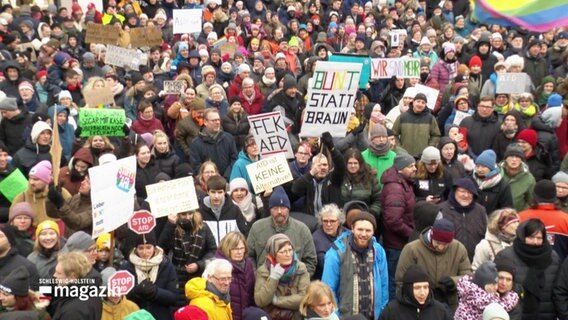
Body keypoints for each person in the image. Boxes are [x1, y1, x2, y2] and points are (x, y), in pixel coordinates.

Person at [322, 211, 389, 319]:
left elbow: (384, 285)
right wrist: (336, 316)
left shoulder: (379, 251)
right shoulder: (336, 252)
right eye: (360, 229)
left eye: (368, 230)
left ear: (373, 232)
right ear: (352, 228)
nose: (363, 234)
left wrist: (381, 311)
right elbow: (327, 289)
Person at [396, 219, 471, 311]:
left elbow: (468, 276)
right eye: (438, 243)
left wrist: (453, 282)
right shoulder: (412, 249)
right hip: (418, 304)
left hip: (449, 303)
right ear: (431, 236)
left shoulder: (459, 249)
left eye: (445, 244)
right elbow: (401, 281)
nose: (440, 247)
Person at [495, 219, 561, 319]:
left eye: (539, 238)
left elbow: (559, 289)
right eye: (531, 237)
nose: (535, 242)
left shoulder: (553, 257)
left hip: (547, 315)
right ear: (522, 236)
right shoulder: (505, 256)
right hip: (515, 315)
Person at [247, 187, 317, 276]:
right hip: (264, 284)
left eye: (283, 207)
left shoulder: (302, 230)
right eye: (275, 208)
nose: (279, 211)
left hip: (293, 286)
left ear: (288, 209)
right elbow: (249, 256)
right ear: (270, 209)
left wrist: (299, 280)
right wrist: (257, 276)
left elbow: (311, 260)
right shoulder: (257, 228)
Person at [380, 151, 417, 298]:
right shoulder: (395, 188)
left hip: (400, 243)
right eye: (411, 166)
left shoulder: (403, 183)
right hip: (396, 245)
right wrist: (412, 234)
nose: (415, 168)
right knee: (395, 282)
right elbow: (393, 220)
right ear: (401, 169)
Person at [122, 231, 178, 320]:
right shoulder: (127, 268)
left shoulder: (166, 265)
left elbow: (173, 298)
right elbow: (122, 298)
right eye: (141, 248)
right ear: (136, 249)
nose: (145, 252)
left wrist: (156, 292)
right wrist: (136, 291)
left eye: (148, 247)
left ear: (154, 248)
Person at [254, 234, 310, 320]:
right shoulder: (263, 270)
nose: (288, 254)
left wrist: (277, 301)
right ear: (273, 254)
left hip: (296, 317)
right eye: (283, 252)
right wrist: (273, 278)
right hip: (272, 316)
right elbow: (260, 301)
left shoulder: (300, 268)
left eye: (290, 250)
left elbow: (305, 297)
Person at [158, 209, 217, 289]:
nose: (188, 217)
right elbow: (161, 247)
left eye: (190, 213)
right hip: (176, 275)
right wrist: (170, 225)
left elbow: (212, 250)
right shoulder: (172, 226)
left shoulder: (203, 227)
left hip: (199, 276)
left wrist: (199, 265)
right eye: (183, 214)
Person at [291, 132, 345, 216]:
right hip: (311, 220)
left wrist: (331, 147)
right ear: (312, 166)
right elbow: (295, 189)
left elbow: (341, 164)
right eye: (319, 165)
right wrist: (311, 173)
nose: (322, 167)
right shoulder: (309, 181)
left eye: (325, 165)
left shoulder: (333, 180)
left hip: (330, 219)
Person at [518, 179, 568, 261]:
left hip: (524, 269)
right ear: (555, 196)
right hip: (558, 270)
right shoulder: (566, 220)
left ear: (534, 195)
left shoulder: (521, 217)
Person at [439, 178, 488, 260]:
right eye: (462, 191)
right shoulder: (441, 209)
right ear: (454, 191)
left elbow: (487, 235)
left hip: (476, 259)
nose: (466, 195)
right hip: (448, 260)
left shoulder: (481, 211)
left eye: (469, 192)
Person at [379, 265, 452, 320]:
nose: (422, 293)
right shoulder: (391, 311)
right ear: (408, 289)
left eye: (425, 287)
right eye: (417, 288)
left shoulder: (441, 311)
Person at [214, 231, 256, 320]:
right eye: (235, 249)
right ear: (227, 248)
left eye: (242, 248)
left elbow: (252, 293)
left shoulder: (248, 264)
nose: (239, 252)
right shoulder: (217, 266)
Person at [50, 252, 102, 320]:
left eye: (59, 273)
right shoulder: (92, 291)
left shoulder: (72, 311)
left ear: (72, 276)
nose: (54, 275)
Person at [199, 175, 249, 244]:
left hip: (230, 252)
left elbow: (244, 234)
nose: (216, 196)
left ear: (225, 192)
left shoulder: (234, 210)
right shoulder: (200, 212)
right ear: (208, 192)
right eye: (213, 192)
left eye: (220, 192)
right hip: (209, 254)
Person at [340, 148, 380, 216]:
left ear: (360, 163)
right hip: (343, 217)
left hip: (365, 217)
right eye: (350, 163)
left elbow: (378, 200)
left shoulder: (370, 177)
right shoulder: (340, 177)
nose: (353, 166)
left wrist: (371, 213)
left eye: (355, 163)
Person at [312, 204, 347, 280]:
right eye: (325, 221)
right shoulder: (316, 238)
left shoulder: (347, 234)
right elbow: (325, 264)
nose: (328, 224)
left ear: (339, 222)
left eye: (332, 221)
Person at [473, 149, 514, 214]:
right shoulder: (470, 180)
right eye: (477, 166)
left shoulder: (502, 185)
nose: (479, 169)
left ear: (491, 168)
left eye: (483, 167)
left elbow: (507, 210)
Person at [499, 144, 535, 212]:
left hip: (519, 217)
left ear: (521, 159)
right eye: (511, 156)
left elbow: (531, 201)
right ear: (506, 158)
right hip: (496, 216)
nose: (514, 159)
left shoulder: (529, 178)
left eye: (518, 157)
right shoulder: (497, 173)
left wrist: (522, 214)